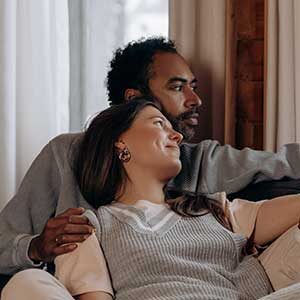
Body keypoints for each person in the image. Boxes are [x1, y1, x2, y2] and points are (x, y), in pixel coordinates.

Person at [1, 37, 300, 278]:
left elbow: (282, 163)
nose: (196, 100)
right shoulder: (66, 154)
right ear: (134, 99)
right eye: (177, 87)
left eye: (193, 87)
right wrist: (36, 248)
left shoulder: (199, 160)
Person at [4, 98, 300, 300]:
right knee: (27, 284)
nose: (177, 137)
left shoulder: (211, 208)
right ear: (119, 143)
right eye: (159, 123)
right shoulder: (87, 227)